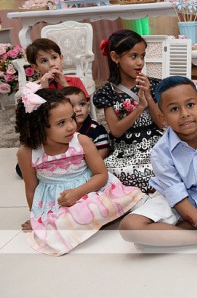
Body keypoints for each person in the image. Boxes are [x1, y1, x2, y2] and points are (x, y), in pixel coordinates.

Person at [15, 85, 143, 256]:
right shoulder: (27, 153)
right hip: (56, 199)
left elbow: (101, 175)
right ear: (38, 127)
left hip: (88, 188)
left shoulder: (82, 141)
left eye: (72, 118)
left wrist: (77, 193)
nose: (71, 127)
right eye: (61, 123)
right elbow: (31, 188)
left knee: (103, 203)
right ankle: (84, 220)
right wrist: (36, 218)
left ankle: (90, 217)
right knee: (60, 222)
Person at [120, 77, 197, 247]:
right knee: (129, 227)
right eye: (174, 109)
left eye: (190, 105)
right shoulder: (160, 151)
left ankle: (163, 236)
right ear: (163, 118)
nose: (185, 114)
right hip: (175, 202)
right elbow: (178, 198)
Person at [93, 30, 165, 193]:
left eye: (142, 56)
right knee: (111, 174)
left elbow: (162, 123)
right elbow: (116, 131)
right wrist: (140, 107)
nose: (140, 62)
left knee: (167, 165)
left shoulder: (153, 85)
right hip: (125, 150)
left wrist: (148, 95)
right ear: (115, 57)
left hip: (154, 144)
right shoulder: (107, 93)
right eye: (133, 56)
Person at [25, 38, 89, 97]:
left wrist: (65, 86)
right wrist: (43, 90)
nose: (52, 64)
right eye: (44, 61)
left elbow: (82, 104)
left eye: (54, 57)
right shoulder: (34, 89)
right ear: (35, 67)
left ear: (61, 58)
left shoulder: (75, 81)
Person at [61, 86, 110, 159]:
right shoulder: (62, 130)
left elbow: (103, 150)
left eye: (82, 104)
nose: (78, 109)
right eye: (72, 106)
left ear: (88, 105)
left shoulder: (96, 129)